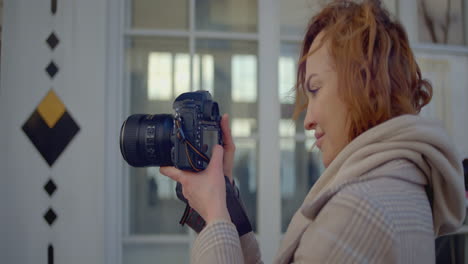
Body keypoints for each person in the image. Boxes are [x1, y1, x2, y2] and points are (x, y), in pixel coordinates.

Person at [160, 0, 466, 263]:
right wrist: (225, 207)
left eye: (315, 89)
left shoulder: (358, 211)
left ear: (366, 85)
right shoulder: (397, 184)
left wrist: (214, 216)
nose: (307, 120)